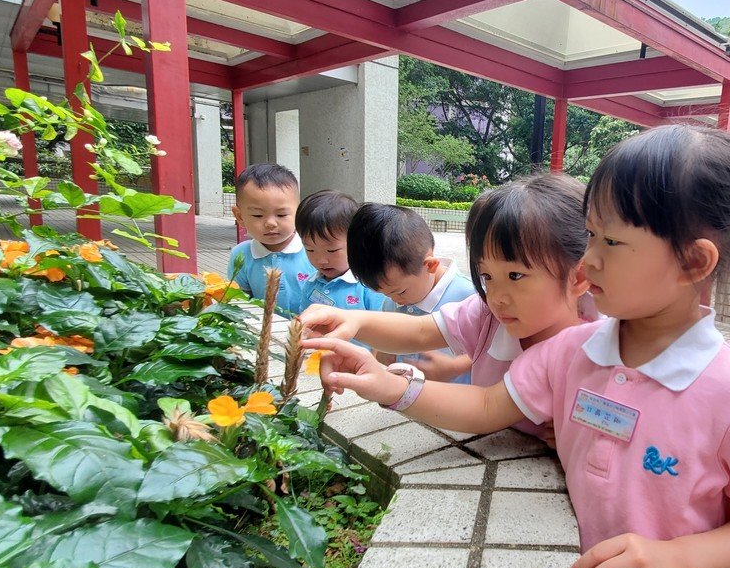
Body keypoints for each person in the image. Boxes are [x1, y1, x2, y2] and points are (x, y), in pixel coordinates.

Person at [304, 125, 730, 568]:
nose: (587, 260)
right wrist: (387, 387)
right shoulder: (572, 351)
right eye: (589, 235)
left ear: (694, 262)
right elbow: (487, 406)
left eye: (610, 242)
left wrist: (680, 561)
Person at [300, 173, 597, 442]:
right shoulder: (488, 315)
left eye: (515, 276)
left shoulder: (598, 349)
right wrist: (352, 321)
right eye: (487, 276)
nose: (496, 296)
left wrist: (592, 434)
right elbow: (420, 331)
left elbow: (486, 407)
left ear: (578, 277)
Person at [347, 203, 476, 383]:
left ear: (430, 265)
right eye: (385, 294)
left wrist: (455, 366)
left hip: (458, 397)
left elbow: (495, 349)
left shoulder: (470, 295)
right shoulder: (392, 299)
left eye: (399, 292)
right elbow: (384, 349)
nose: (394, 300)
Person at [228, 163, 312, 314]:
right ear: (239, 216)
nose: (270, 223)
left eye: (281, 214)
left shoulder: (313, 249)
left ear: (299, 212)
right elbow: (239, 302)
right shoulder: (240, 255)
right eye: (258, 215)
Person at [295, 189, 385, 313]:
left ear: (355, 243)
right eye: (310, 250)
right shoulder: (311, 284)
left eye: (332, 250)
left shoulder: (369, 287)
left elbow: (381, 322)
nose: (321, 260)